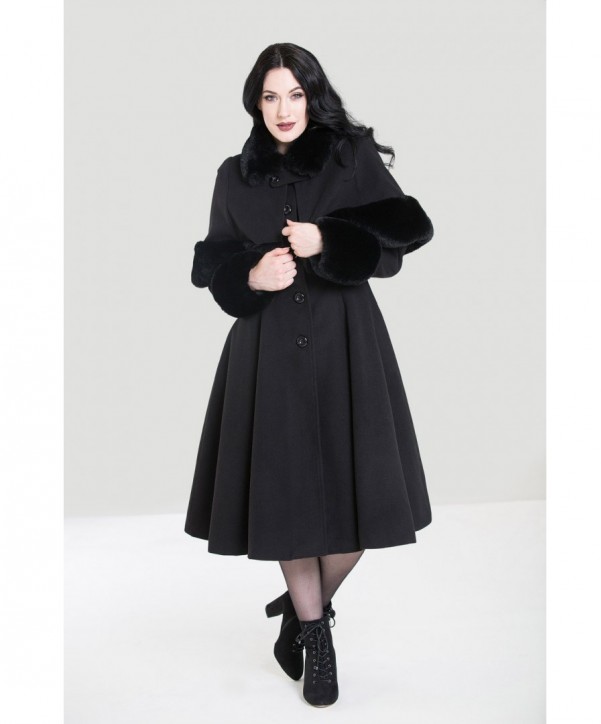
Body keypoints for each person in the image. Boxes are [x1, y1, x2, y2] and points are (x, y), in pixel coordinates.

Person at [184, 42, 434, 707]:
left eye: (294, 94)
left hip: (346, 342)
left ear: (312, 96)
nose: (283, 109)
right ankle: (316, 637)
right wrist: (250, 276)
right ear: (256, 104)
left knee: (362, 499)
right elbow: (211, 262)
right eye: (270, 97)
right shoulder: (234, 175)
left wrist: (330, 240)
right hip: (267, 352)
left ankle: (301, 612)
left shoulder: (350, 156)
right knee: (287, 497)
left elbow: (402, 238)